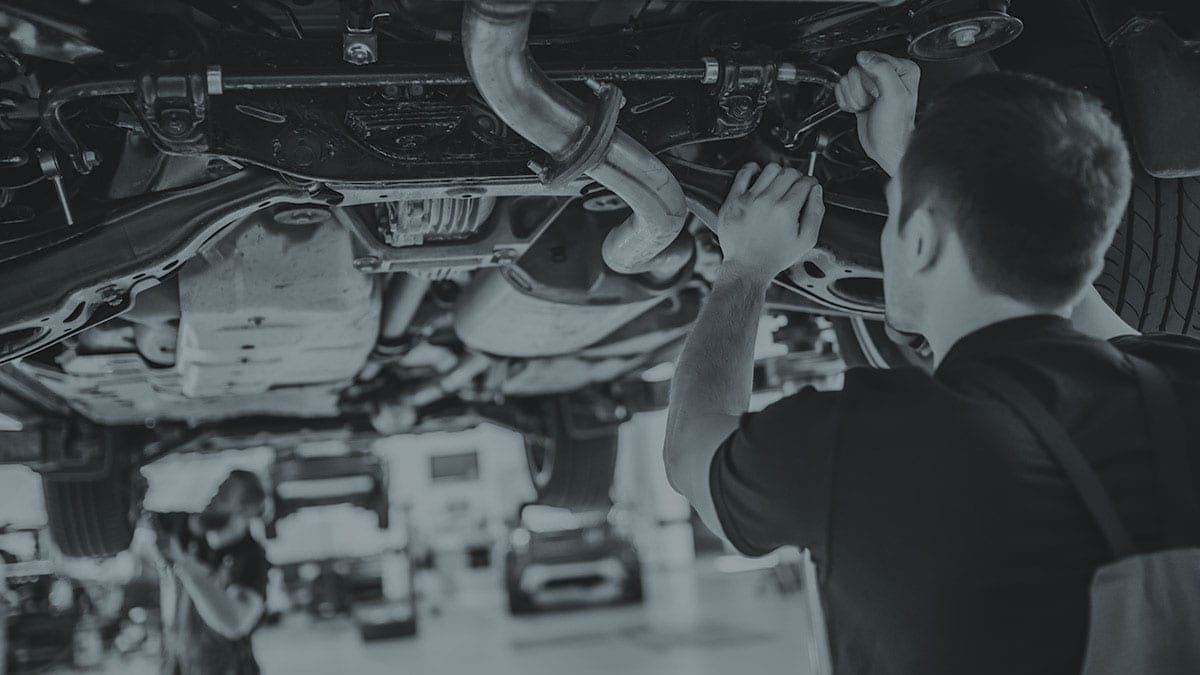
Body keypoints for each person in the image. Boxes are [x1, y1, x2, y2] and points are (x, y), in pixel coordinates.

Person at [663, 50, 1200, 674]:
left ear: (919, 239)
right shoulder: (1181, 383)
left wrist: (744, 268)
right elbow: (1081, 302)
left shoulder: (864, 444)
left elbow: (689, 451)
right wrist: (913, 165)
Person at [152, 470, 270, 675]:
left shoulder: (251, 557)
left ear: (245, 509)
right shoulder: (189, 536)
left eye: (223, 497)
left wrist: (185, 565)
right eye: (215, 493)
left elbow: (235, 621)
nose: (211, 500)